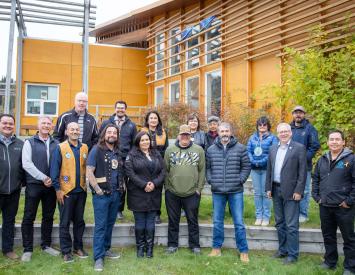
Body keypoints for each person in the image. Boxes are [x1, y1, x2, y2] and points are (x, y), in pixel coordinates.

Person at [206, 122, 251, 262]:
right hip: (218, 191)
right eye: (222, 131)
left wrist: (240, 180)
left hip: (235, 190)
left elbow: (246, 166)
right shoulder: (211, 149)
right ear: (218, 133)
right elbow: (208, 168)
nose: (224, 134)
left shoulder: (241, 148)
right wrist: (211, 180)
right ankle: (216, 248)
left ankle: (243, 250)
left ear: (231, 132)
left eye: (227, 131)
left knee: (238, 222)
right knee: (217, 221)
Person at [312, 130, 355, 274]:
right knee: (328, 235)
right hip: (325, 205)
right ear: (328, 142)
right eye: (332, 139)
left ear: (343, 142)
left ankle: (350, 267)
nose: (334, 142)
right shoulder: (322, 159)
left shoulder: (351, 159)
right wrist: (317, 197)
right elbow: (316, 179)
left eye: (337, 139)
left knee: (348, 238)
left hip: (344, 207)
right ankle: (330, 261)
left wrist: (349, 201)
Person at [265, 123, 307, 264]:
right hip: (276, 189)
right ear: (277, 134)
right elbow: (269, 171)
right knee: (279, 222)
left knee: (291, 224)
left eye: (285, 131)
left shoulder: (299, 148)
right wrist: (268, 188)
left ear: (290, 132)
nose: (283, 134)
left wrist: (299, 190)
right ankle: (282, 250)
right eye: (280, 132)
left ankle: (293, 254)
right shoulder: (272, 148)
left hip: (291, 191)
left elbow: (303, 172)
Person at [21, 116, 60, 262]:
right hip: (34, 185)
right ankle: (27, 249)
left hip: (51, 187)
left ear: (52, 127)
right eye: (43, 123)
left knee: (48, 216)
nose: (46, 125)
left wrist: (53, 180)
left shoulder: (57, 143)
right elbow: (27, 164)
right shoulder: (29, 142)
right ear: (38, 125)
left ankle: (46, 245)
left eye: (48, 123)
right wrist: (44, 177)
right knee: (29, 217)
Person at [86, 124, 124, 272]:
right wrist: (97, 190)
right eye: (109, 132)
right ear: (104, 134)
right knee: (101, 226)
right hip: (101, 196)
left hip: (115, 195)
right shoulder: (96, 150)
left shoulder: (118, 152)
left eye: (115, 132)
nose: (112, 134)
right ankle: (98, 258)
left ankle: (106, 249)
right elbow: (89, 172)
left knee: (110, 224)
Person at [50, 122, 89, 263]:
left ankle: (78, 248)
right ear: (66, 132)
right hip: (66, 192)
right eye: (72, 129)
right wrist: (57, 190)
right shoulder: (60, 148)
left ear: (80, 132)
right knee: (64, 222)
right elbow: (54, 170)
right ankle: (66, 251)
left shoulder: (85, 147)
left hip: (81, 191)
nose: (75, 131)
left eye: (77, 129)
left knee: (79, 221)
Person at [164, 124, 205, 255]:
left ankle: (194, 245)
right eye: (183, 135)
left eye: (187, 135)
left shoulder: (199, 150)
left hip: (192, 192)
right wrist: (167, 188)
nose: (185, 137)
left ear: (190, 136)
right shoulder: (169, 150)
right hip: (172, 192)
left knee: (192, 220)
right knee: (173, 220)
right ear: (179, 136)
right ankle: (172, 245)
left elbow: (202, 170)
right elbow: (165, 170)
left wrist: (199, 188)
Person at [125, 131, 166, 258]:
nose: (145, 142)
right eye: (142, 140)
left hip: (154, 193)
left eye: (147, 140)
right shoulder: (131, 155)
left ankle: (149, 249)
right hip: (138, 194)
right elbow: (130, 173)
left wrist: (154, 183)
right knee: (140, 223)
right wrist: (144, 185)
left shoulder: (156, 153)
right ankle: (140, 248)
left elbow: (163, 171)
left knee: (150, 223)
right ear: (138, 142)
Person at [99, 100, 137, 220]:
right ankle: (107, 206)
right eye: (118, 108)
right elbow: (100, 139)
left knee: (121, 184)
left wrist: (130, 158)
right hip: (108, 157)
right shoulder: (106, 122)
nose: (120, 110)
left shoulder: (131, 125)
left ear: (125, 109)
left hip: (124, 159)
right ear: (115, 109)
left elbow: (134, 144)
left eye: (122, 108)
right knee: (108, 182)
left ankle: (118, 210)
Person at [0, 114, 25, 260]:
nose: (7, 126)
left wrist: (21, 183)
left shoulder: (20, 144)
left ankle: (7, 249)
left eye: (10, 123)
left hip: (13, 191)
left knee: (9, 221)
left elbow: (24, 166)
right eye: (4, 123)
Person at [290, 105, 320, 223]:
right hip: (290, 166)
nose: (298, 115)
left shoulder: (310, 128)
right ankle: (293, 213)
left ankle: (303, 214)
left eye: (300, 112)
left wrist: (303, 158)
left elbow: (314, 146)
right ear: (293, 114)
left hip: (305, 166)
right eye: (296, 112)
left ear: (304, 114)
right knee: (291, 189)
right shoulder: (289, 128)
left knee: (305, 190)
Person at [247, 116, 278, 226]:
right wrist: (252, 160)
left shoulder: (273, 138)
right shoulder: (252, 137)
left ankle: (266, 217)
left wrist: (261, 162)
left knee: (266, 194)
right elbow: (249, 151)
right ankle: (258, 216)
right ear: (257, 126)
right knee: (257, 194)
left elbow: (272, 152)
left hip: (266, 169)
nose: (262, 126)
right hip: (254, 169)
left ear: (268, 126)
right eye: (260, 124)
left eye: (264, 124)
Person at [141, 110, 168, 224]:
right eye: (151, 118)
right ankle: (145, 211)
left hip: (159, 164)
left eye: (155, 118)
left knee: (157, 190)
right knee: (146, 188)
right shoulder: (142, 131)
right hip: (145, 163)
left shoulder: (163, 132)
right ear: (147, 120)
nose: (153, 120)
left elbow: (166, 149)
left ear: (158, 120)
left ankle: (157, 213)